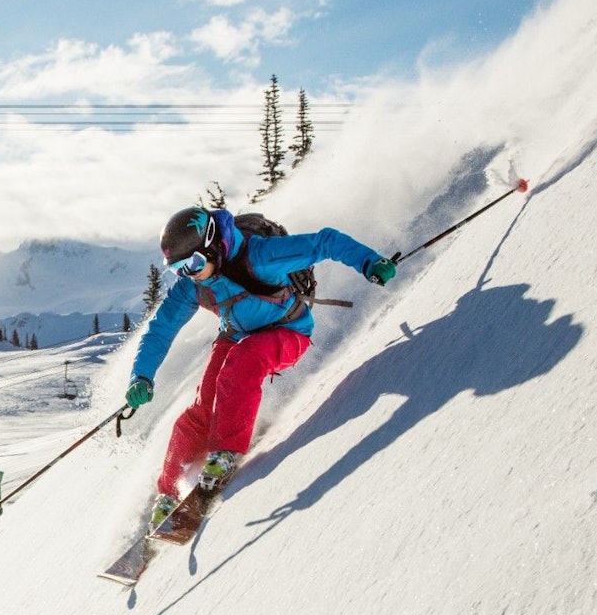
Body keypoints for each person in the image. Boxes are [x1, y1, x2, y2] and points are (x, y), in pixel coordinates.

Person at [125, 205, 397, 528]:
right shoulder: (194, 285)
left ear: (211, 244)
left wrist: (369, 262)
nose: (189, 273)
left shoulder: (262, 256)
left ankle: (224, 452)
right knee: (205, 403)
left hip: (288, 331)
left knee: (242, 363)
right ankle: (168, 494)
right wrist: (141, 375)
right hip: (237, 334)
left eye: (194, 263)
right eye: (179, 269)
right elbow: (161, 328)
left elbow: (325, 242)